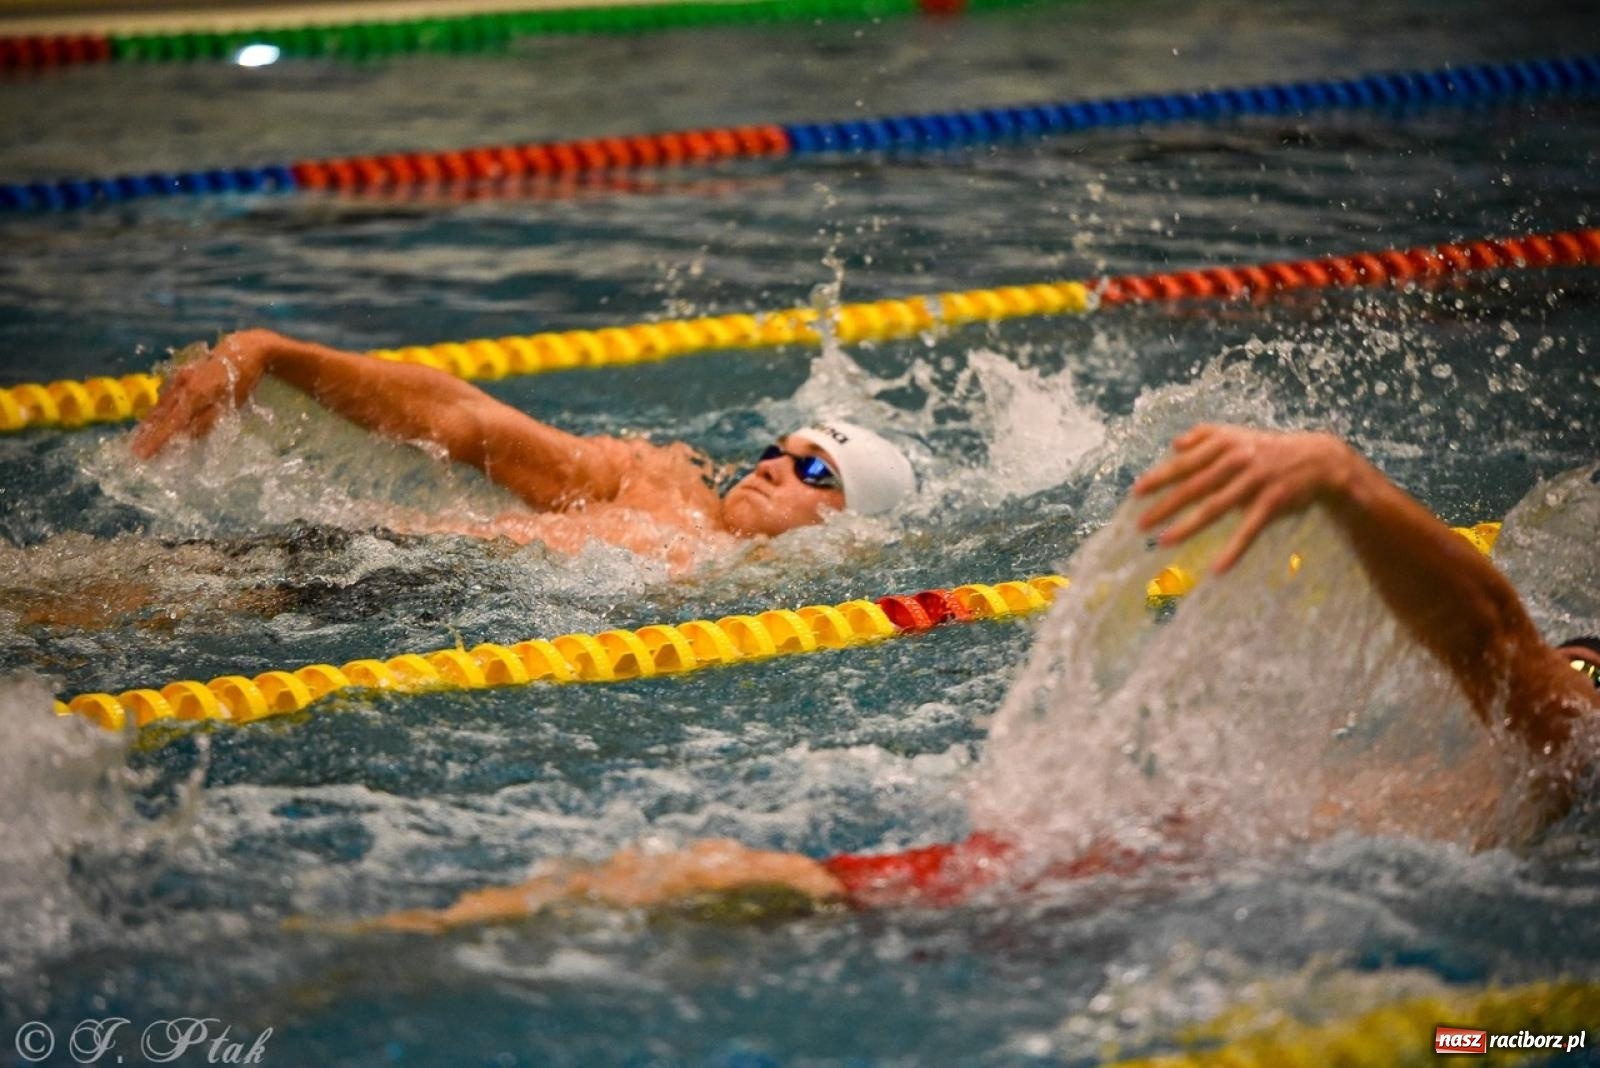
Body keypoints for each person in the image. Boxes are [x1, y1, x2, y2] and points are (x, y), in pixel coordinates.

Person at [354, 424, 1600, 932]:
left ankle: (409, 936)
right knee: (735, 887)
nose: (1574, 665)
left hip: (1149, 878)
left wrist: (1347, 480)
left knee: (734, 883)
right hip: (1172, 876)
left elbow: (1494, 641)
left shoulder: (1560, 733)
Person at [130, 329, 916, 567]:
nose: (773, 465)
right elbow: (466, 423)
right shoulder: (655, 483)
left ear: (851, 522)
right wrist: (274, 353)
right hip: (369, 560)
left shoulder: (783, 596)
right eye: (776, 450)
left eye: (816, 469)